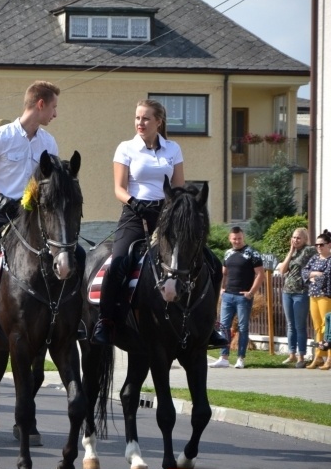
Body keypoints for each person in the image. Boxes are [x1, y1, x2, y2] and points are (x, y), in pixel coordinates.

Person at [91, 99, 227, 348]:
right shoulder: (125, 148)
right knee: (119, 263)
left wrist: (177, 209)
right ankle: (106, 321)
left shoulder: (173, 149)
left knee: (213, 264)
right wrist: (134, 202)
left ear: (158, 122)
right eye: (137, 118)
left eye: (145, 118)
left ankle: (211, 324)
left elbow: (178, 187)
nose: (140, 123)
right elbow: (119, 188)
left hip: (168, 216)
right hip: (135, 215)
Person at [0, 81, 78, 346]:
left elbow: (50, 183)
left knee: (75, 252)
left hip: (32, 215)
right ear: (40, 104)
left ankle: (73, 318)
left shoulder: (48, 142)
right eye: (54, 107)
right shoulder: (0, 137)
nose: (55, 114)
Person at [209, 226, 265, 369]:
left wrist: (251, 292)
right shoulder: (228, 253)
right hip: (228, 295)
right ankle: (223, 357)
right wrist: (221, 289)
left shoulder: (252, 253)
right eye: (234, 239)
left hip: (243, 297)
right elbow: (224, 272)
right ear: (230, 239)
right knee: (224, 326)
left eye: (239, 238)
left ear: (243, 237)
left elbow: (260, 274)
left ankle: (240, 358)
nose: (237, 241)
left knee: (243, 327)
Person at [277, 227, 316, 368]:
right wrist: (290, 251)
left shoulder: (309, 250)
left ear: (305, 239)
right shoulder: (292, 252)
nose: (295, 240)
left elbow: (318, 260)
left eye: (298, 238)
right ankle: (291, 354)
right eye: (294, 237)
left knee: (299, 325)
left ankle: (301, 355)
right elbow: (282, 270)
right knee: (290, 325)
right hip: (287, 291)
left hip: (301, 292)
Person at [302, 229, 331, 370]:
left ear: (329, 245)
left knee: (328, 328)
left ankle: (329, 358)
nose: (318, 247)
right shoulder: (314, 258)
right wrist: (315, 274)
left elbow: (326, 278)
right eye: (317, 245)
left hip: (326, 296)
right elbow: (304, 272)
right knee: (317, 327)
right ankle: (318, 356)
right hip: (313, 295)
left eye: (321, 245)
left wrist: (314, 277)